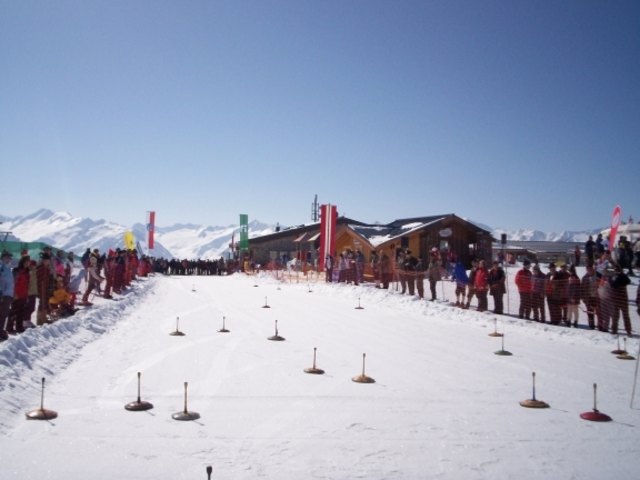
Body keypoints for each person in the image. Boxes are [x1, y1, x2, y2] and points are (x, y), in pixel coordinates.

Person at [609, 264, 632, 336]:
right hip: (617, 300)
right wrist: (618, 276)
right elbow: (612, 284)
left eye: (617, 270)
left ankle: (628, 330)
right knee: (616, 316)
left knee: (624, 316)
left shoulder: (621, 277)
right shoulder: (614, 277)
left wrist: (620, 275)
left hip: (621, 300)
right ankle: (615, 330)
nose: (616, 271)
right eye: (615, 270)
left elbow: (628, 281)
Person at [0, 250, 15, 341]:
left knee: (4, 314)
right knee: (2, 313)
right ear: (2, 258)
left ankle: (1, 330)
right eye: (7, 257)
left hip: (8, 294)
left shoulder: (8, 268)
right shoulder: (1, 267)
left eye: (9, 257)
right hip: (3, 294)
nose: (8, 259)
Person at [581, 264, 599, 329]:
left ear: (592, 268)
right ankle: (591, 325)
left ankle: (600, 324)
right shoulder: (585, 277)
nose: (589, 270)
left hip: (597, 297)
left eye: (590, 268)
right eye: (587, 269)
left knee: (598, 311)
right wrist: (583, 297)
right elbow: (582, 288)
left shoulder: (597, 275)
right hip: (588, 297)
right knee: (590, 312)